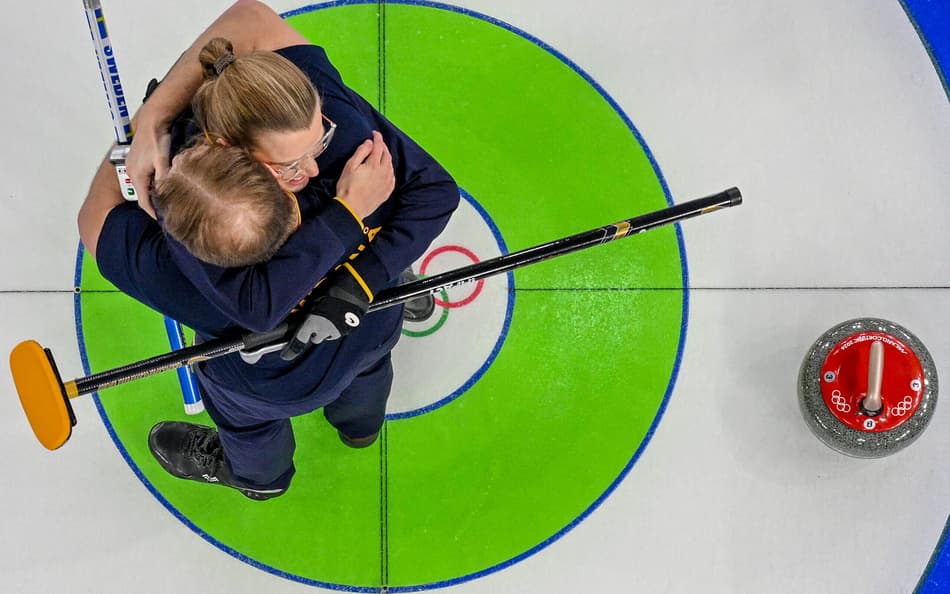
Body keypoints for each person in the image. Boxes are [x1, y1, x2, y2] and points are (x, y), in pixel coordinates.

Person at [78, 0, 459, 500]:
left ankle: (261, 481)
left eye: (318, 140)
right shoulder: (362, 174)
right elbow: (253, 22)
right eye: (289, 165)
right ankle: (360, 428)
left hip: (270, 387)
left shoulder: (191, 262)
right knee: (368, 372)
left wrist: (143, 137)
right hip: (372, 320)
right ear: (230, 149)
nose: (316, 170)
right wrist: (365, 274)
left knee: (248, 429)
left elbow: (94, 219)